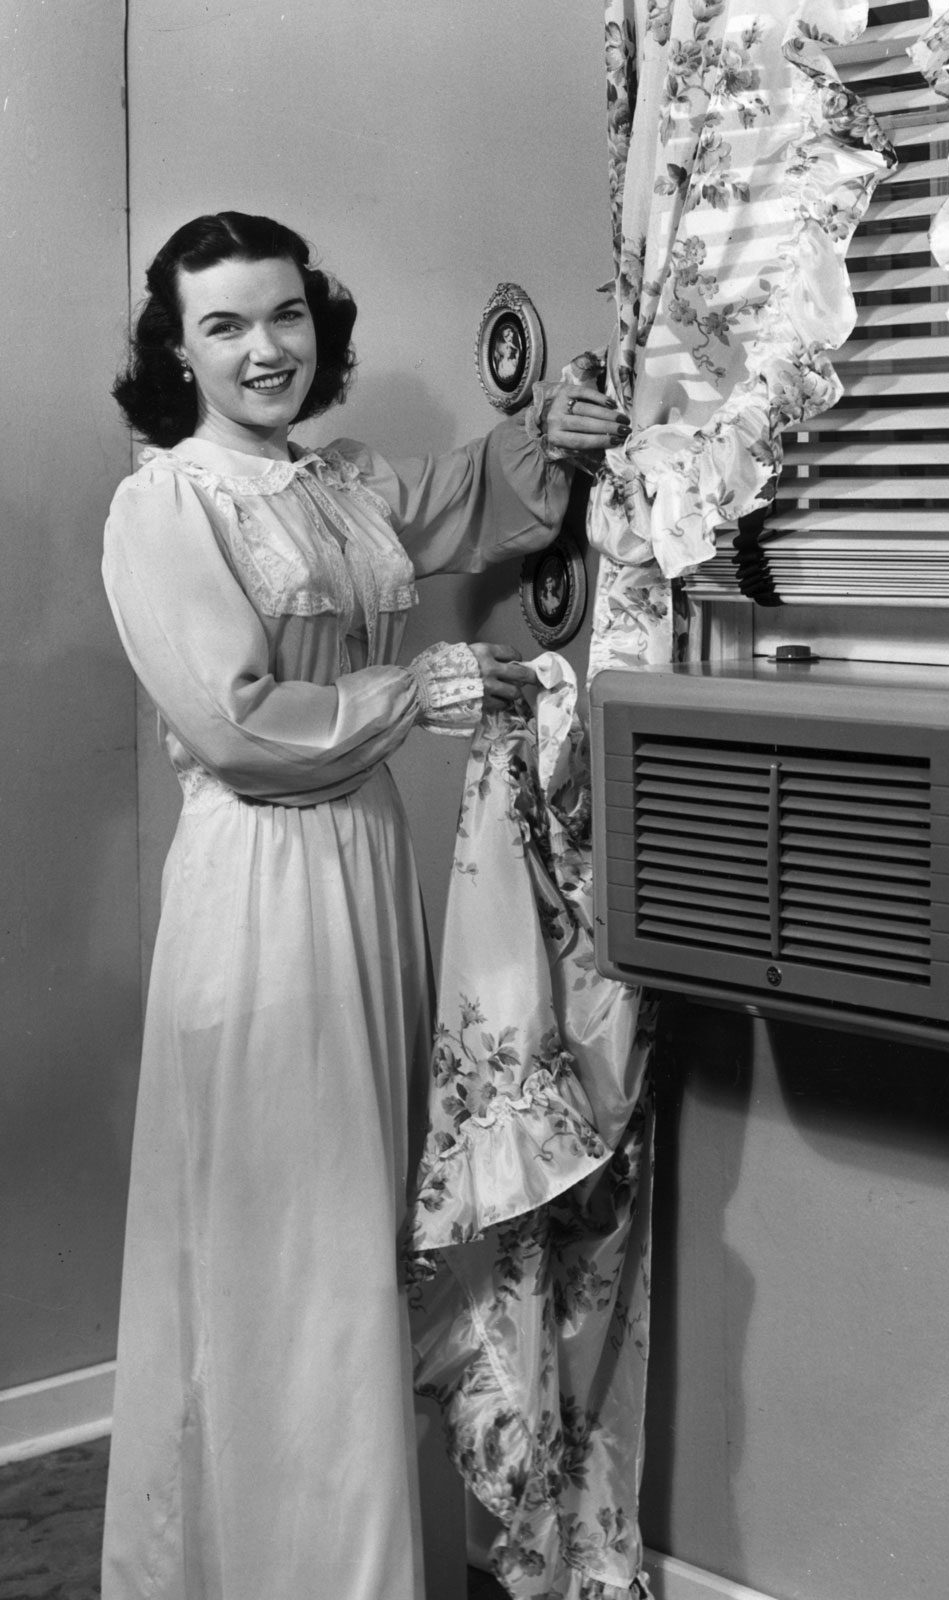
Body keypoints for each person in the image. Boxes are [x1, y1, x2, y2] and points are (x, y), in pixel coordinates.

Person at [98, 211, 626, 1600]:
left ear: (317, 322)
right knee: (292, 1234)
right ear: (176, 350)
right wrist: (420, 689)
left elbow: (466, 501)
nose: (263, 349)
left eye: (284, 315)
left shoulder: (336, 480)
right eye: (222, 325)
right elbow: (238, 723)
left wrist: (555, 439)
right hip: (259, 882)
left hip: (368, 865)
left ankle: (360, 1555)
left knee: (369, 1215)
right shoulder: (167, 505)